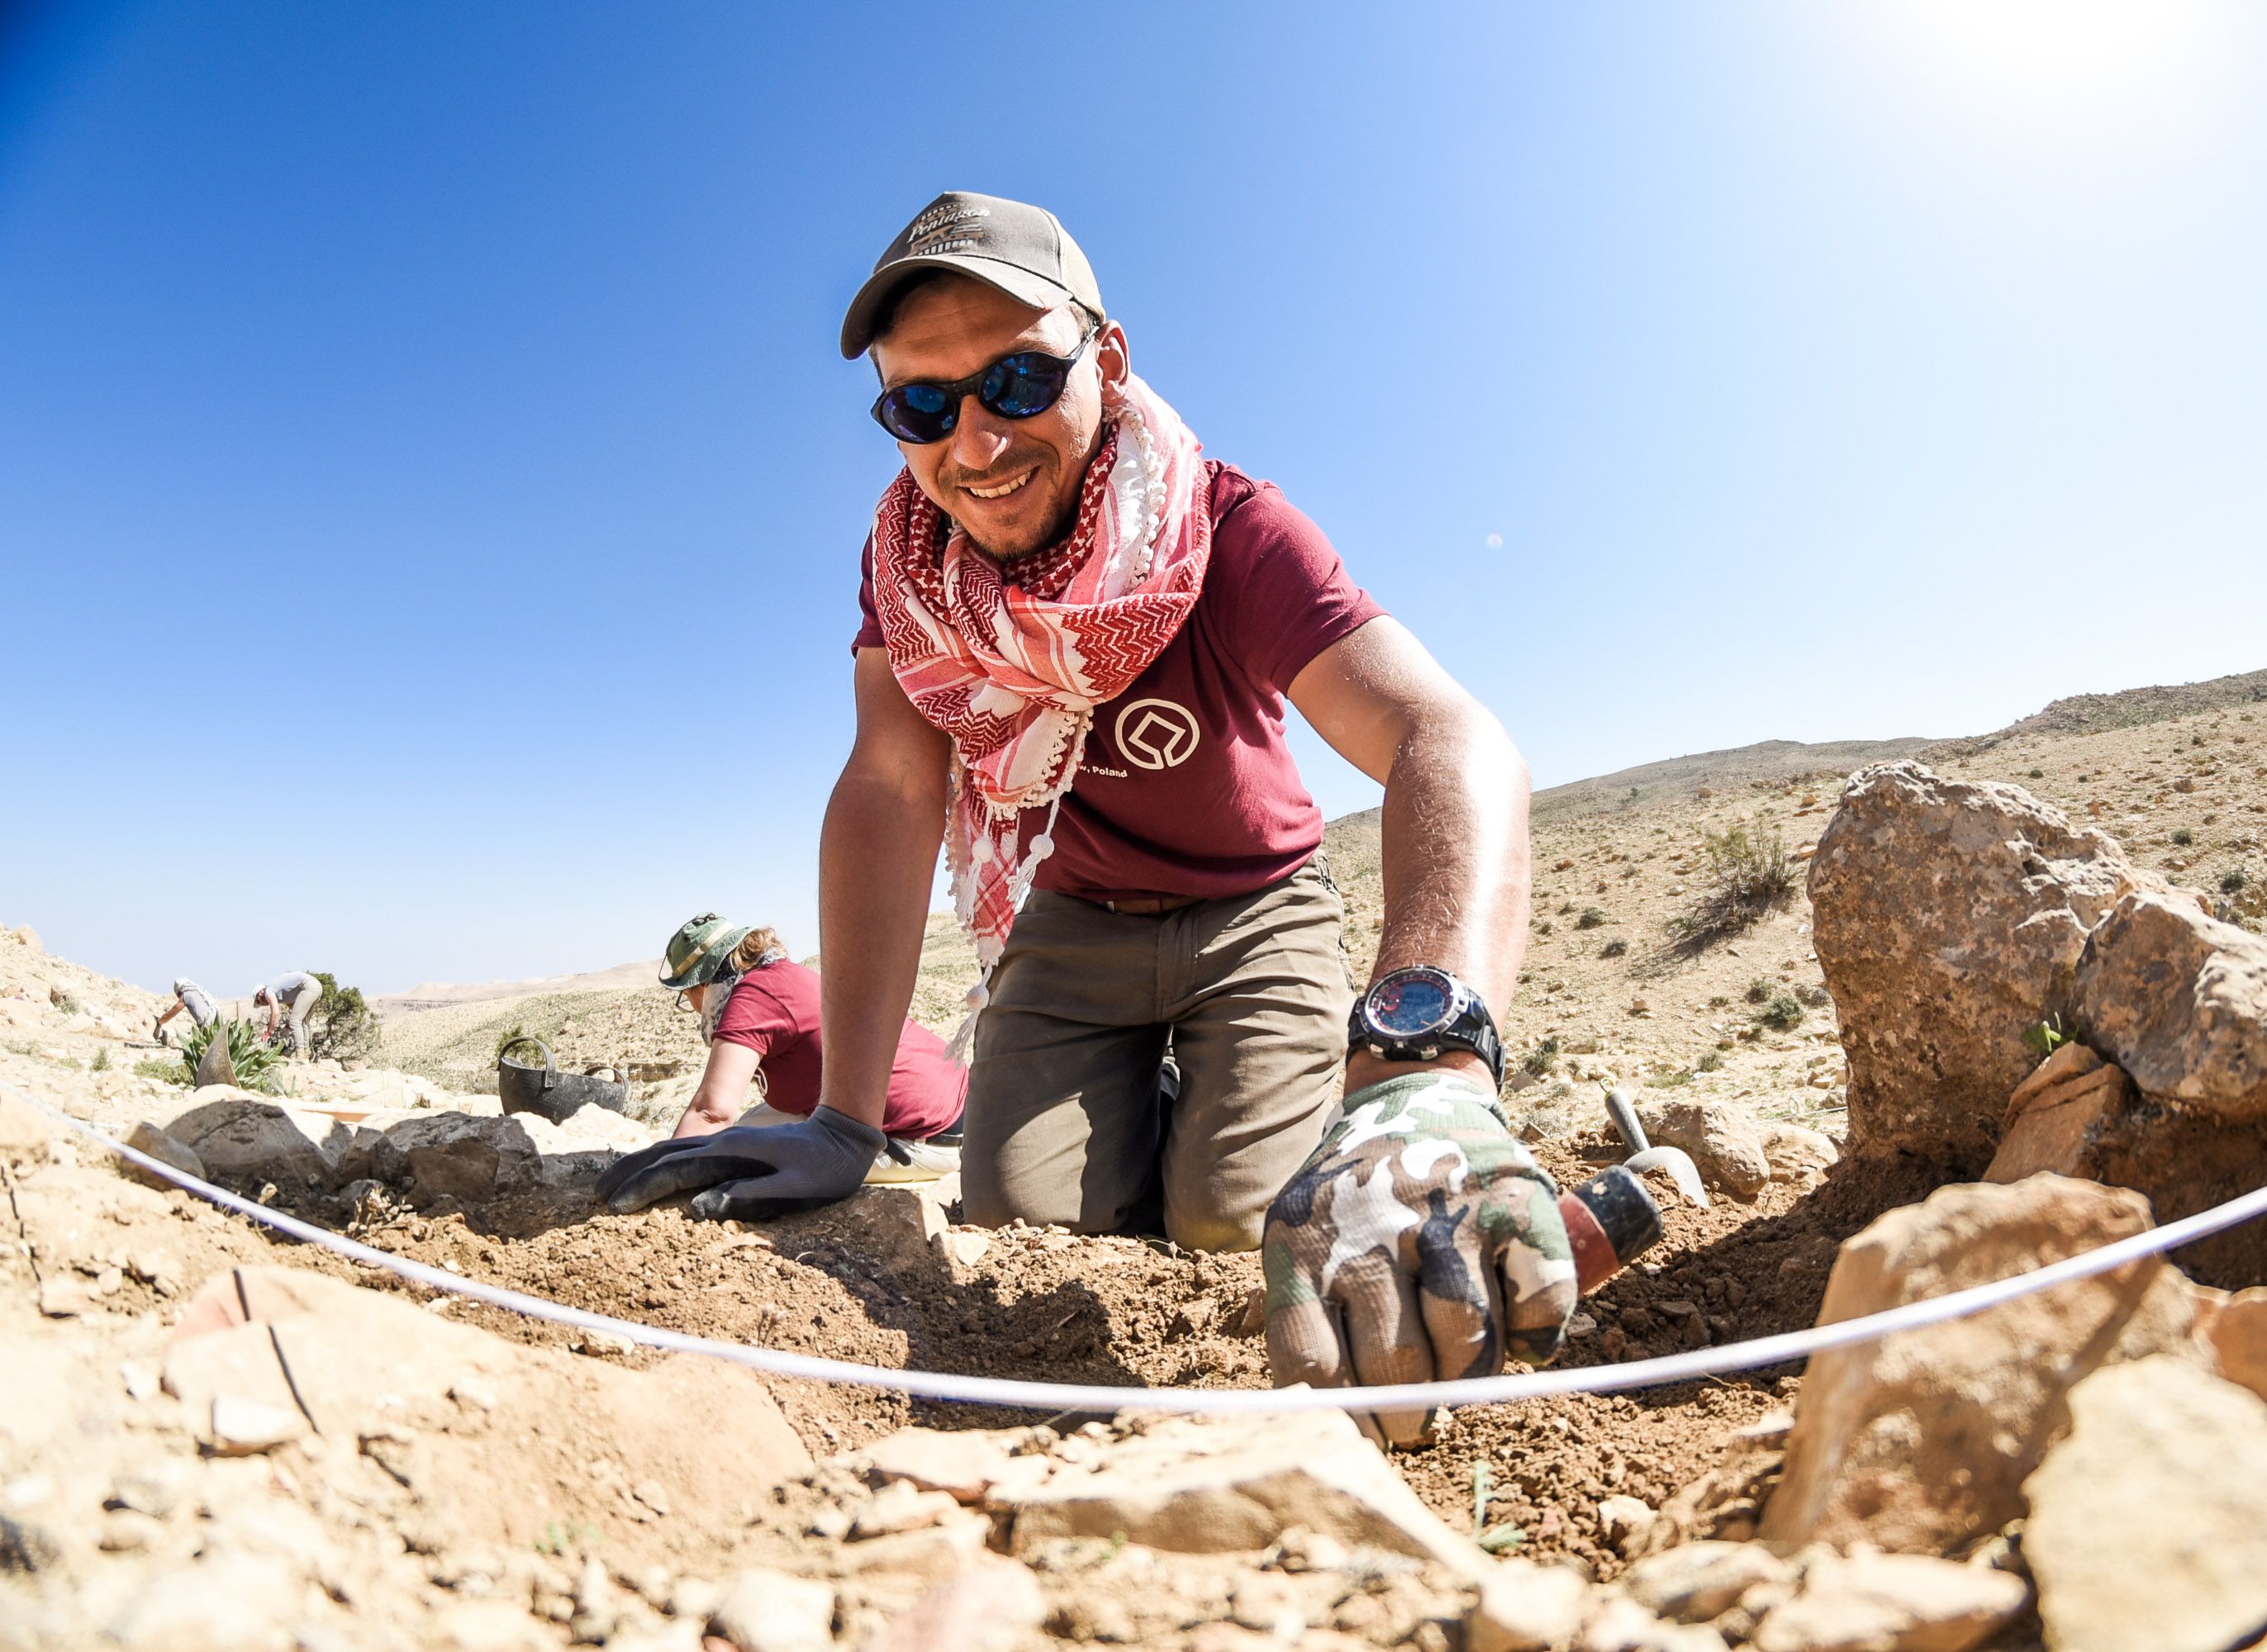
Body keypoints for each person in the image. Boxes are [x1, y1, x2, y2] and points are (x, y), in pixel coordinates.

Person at [599, 192, 1562, 1442]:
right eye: (923, 407)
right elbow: (892, 788)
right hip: (1068, 918)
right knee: (1021, 1224)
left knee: (1236, 1226)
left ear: (1105, 362)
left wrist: (1425, 1067)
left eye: (1016, 379)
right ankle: (1155, 1114)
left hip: (1251, 909)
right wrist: (841, 1118)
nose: (976, 443)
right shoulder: (907, 569)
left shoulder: (1228, 526)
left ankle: (1239, 1111)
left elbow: (1449, 740)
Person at [656, 913, 965, 1182]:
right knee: (749, 1127)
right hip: (957, 1115)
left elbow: (712, 1112)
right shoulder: (776, 977)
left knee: (737, 1155)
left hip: (916, 1139)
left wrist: (659, 1172)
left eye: (687, 996)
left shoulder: (751, 1000)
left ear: (701, 985)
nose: (693, 1007)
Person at [252, 972, 322, 1055]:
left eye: (258, 1001)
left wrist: (269, 1033)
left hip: (308, 986)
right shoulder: (281, 996)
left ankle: (300, 1056)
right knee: (303, 1021)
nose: (262, 1004)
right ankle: (306, 1052)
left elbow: (276, 1013)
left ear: (260, 993)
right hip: (317, 987)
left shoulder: (268, 991)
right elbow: (296, 1011)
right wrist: (287, 1027)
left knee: (295, 1021)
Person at [152, 977, 221, 1045]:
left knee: (180, 1040)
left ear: (180, 991)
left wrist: (159, 1023)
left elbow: (170, 1014)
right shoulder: (198, 992)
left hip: (207, 1028)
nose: (179, 997)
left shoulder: (187, 995)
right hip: (218, 1025)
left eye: (178, 995)